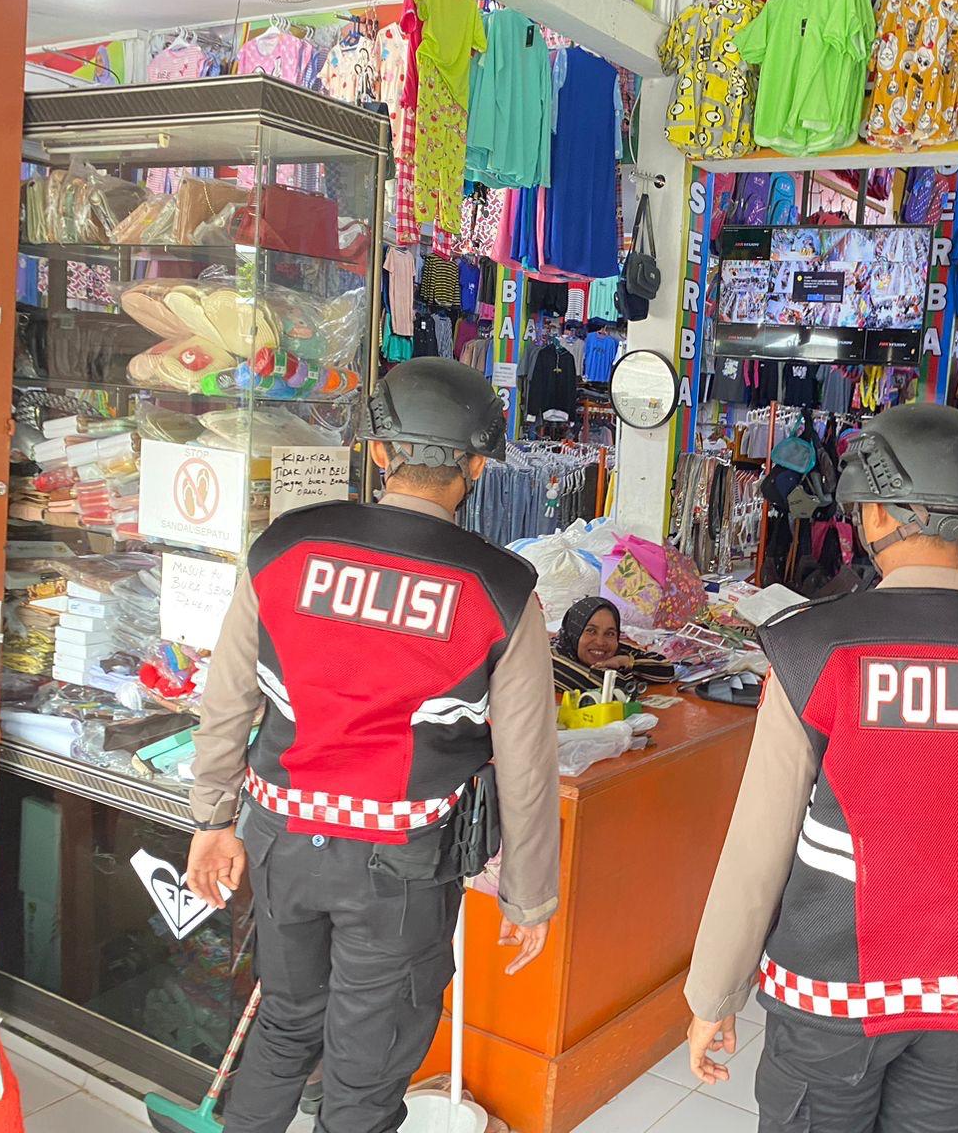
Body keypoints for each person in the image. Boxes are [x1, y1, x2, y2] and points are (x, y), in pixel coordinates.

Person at [683, 404, 958, 1133]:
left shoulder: (811, 650)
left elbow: (758, 846)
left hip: (831, 996)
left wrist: (715, 993)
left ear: (874, 516)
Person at [184, 357, 561, 1133]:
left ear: (380, 452)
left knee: (284, 1027)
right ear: (478, 467)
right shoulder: (502, 590)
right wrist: (529, 893)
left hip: (281, 843)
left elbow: (227, 701)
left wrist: (211, 819)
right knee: (366, 1072)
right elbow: (526, 764)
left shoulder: (285, 547)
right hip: (403, 869)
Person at [551, 596, 674, 697]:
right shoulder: (552, 660)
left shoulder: (612, 648)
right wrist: (629, 674)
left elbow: (666, 669)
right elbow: (614, 688)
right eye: (591, 631)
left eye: (609, 633)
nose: (600, 642)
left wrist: (624, 661)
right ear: (574, 632)